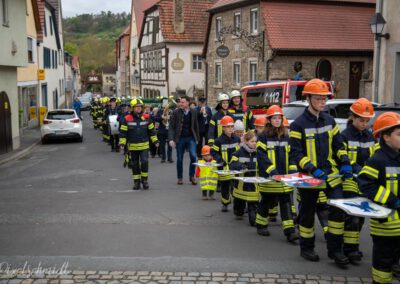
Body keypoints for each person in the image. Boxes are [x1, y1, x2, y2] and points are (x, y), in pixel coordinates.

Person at [289, 78, 352, 266]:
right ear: (308, 99)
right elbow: (296, 153)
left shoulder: (330, 120)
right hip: (310, 177)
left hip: (331, 175)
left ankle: (335, 251)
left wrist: (345, 162)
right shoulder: (298, 124)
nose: (323, 102)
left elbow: (338, 145)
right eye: (319, 99)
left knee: (338, 212)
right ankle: (306, 248)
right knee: (307, 214)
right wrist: (312, 169)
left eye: (325, 99)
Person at [358, 111, 400, 284]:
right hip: (385, 225)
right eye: (399, 134)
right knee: (382, 263)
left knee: (394, 259)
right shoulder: (378, 160)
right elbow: (365, 183)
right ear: (386, 137)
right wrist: (392, 200)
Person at [341, 98, 376, 264]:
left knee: (360, 218)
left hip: (365, 183)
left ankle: (350, 245)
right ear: (353, 117)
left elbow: (374, 158)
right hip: (350, 183)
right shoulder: (344, 135)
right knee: (352, 218)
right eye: (361, 120)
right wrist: (355, 168)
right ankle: (350, 249)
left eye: (367, 121)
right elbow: (343, 157)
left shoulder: (370, 136)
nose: (364, 124)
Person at [256, 105, 298, 242]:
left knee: (285, 202)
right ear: (269, 120)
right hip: (269, 176)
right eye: (274, 118)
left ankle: (289, 231)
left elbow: (292, 155)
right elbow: (262, 157)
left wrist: (292, 169)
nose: (277, 120)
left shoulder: (286, 136)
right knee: (266, 201)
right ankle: (261, 224)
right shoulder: (263, 137)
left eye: (279, 118)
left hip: (284, 177)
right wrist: (272, 171)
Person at [119, 99, 159, 190]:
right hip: (132, 146)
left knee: (145, 162)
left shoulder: (147, 117)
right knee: (135, 164)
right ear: (132, 108)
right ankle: (136, 182)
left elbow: (152, 131)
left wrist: (155, 141)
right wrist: (122, 143)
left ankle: (144, 180)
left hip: (144, 145)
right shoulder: (127, 119)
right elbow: (123, 132)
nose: (138, 108)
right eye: (136, 107)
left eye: (140, 107)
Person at [168, 95, 200, 185]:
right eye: (180, 102)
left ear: (188, 103)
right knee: (180, 158)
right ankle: (180, 177)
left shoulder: (193, 111)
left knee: (193, 156)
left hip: (191, 137)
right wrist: (171, 139)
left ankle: (191, 176)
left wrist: (197, 138)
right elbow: (171, 127)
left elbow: (196, 125)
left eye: (182, 102)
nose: (180, 103)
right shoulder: (176, 112)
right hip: (180, 138)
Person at [229, 131, 259, 225]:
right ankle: (238, 212)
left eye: (255, 141)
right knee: (239, 204)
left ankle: (253, 219)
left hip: (254, 185)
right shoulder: (239, 152)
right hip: (241, 185)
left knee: (253, 205)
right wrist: (241, 166)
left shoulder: (259, 152)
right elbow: (232, 164)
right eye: (252, 141)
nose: (254, 143)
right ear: (246, 141)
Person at [211, 115, 240, 212]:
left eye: (232, 127)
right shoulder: (218, 141)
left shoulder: (237, 139)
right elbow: (213, 152)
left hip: (235, 168)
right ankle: (225, 203)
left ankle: (237, 206)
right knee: (224, 188)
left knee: (235, 187)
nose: (230, 129)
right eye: (228, 127)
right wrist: (219, 160)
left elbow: (240, 151)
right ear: (223, 128)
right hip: (223, 169)